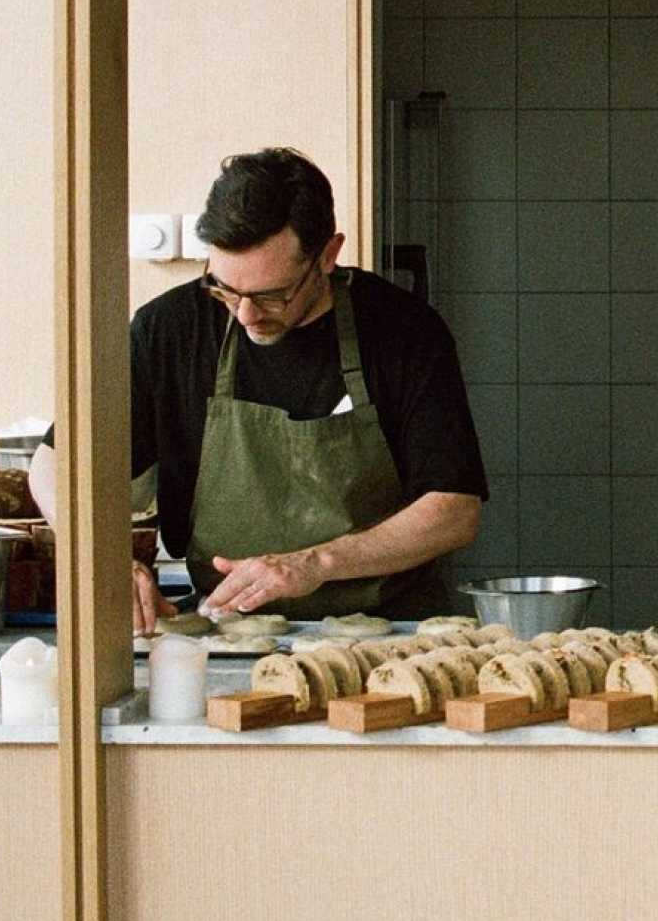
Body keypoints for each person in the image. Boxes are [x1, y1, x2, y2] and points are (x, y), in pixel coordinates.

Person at [30, 148, 486, 630]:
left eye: (271, 295)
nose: (245, 315)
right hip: (225, 631)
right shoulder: (170, 329)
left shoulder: (405, 330)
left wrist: (314, 564)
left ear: (328, 255)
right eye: (224, 288)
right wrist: (100, 560)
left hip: (386, 631)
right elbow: (53, 463)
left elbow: (454, 510)